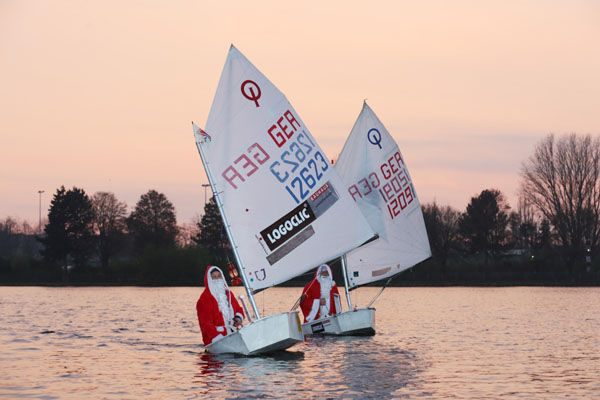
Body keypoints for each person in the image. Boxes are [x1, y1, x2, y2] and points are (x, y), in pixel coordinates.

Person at [196, 265, 244, 345]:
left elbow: (238, 309)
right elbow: (205, 324)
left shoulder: (228, 293)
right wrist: (217, 338)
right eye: (214, 277)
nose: (217, 279)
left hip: (233, 334)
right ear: (209, 280)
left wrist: (238, 318)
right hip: (215, 340)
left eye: (219, 276)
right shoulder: (204, 299)